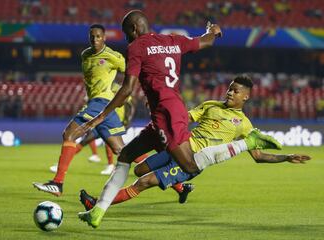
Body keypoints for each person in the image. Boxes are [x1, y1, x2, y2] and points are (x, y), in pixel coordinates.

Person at [74, 9, 225, 228]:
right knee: (125, 155)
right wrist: (213, 31)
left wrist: (100, 117)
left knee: (190, 166)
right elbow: (205, 42)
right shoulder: (173, 40)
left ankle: (237, 146)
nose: (126, 38)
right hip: (165, 111)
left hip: (167, 113)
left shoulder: (136, 47)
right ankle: (97, 211)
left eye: (127, 33)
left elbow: (127, 88)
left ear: (134, 29)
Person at [78, 76, 311, 210]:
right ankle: (181, 188)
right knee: (140, 168)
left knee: (143, 181)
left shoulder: (244, 124)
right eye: (230, 88)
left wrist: (286, 157)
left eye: (236, 91)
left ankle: (97, 205)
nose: (230, 93)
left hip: (193, 161)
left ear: (245, 97)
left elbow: (258, 156)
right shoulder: (211, 105)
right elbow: (183, 118)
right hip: (180, 146)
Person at [32, 24, 127, 196]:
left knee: (69, 134)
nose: (95, 39)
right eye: (92, 36)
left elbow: (132, 74)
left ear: (104, 38)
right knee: (123, 151)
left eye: (98, 36)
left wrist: (125, 95)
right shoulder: (85, 55)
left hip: (101, 102)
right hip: (100, 105)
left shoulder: (113, 56)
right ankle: (177, 184)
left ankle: (58, 182)